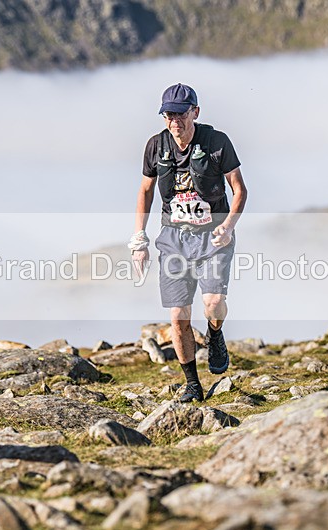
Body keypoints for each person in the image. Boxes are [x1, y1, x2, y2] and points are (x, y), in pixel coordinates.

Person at [130, 83, 247, 403]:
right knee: (178, 315)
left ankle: (215, 333)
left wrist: (228, 226)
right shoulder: (156, 146)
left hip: (213, 234)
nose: (175, 121)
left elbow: (239, 189)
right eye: (169, 115)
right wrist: (139, 239)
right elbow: (145, 191)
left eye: (181, 114)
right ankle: (192, 384)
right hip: (173, 237)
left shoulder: (217, 142)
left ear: (195, 112)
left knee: (213, 302)